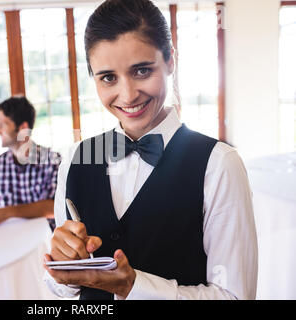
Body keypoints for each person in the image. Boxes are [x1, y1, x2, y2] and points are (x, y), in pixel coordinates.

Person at [43, 0, 258, 300]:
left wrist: (133, 288)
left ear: (171, 60)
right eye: (108, 78)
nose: (128, 95)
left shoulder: (219, 164)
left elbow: (234, 296)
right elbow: (61, 291)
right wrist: (64, 268)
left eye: (142, 71)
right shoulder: (75, 159)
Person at [0, 96, 61, 230]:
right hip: (11, 239)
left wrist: (6, 213)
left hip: (45, 241)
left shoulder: (52, 161)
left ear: (23, 128)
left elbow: (54, 208)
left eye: (2, 125)